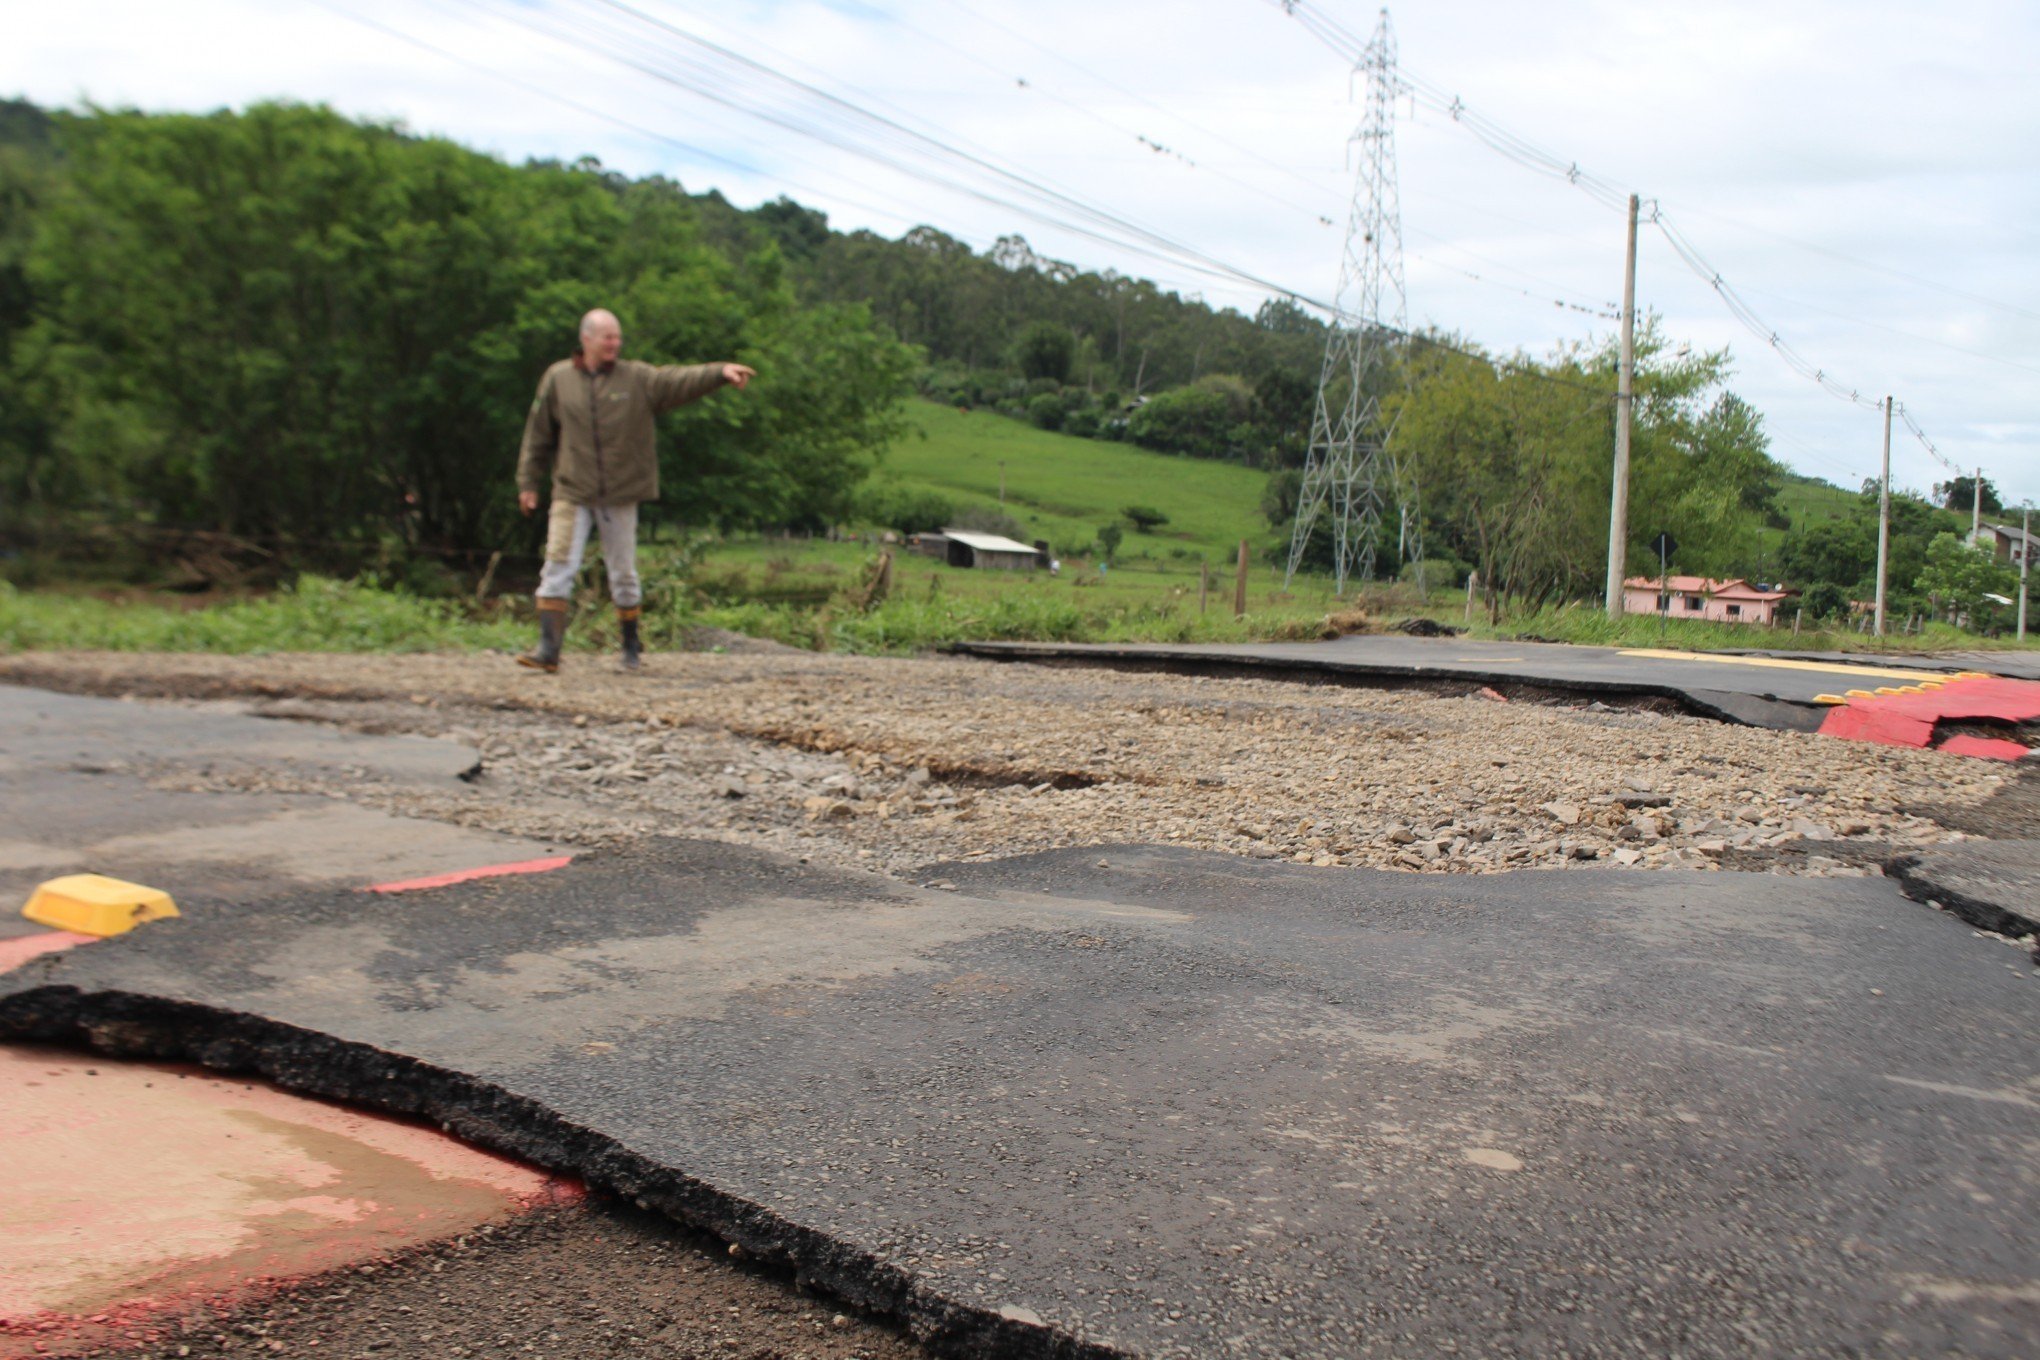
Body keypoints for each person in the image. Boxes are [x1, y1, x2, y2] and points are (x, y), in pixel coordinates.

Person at [514, 309, 755, 672]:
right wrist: (528, 483)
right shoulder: (558, 379)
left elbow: (677, 380)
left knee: (623, 572)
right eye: (607, 337)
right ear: (587, 339)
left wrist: (718, 373)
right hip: (572, 489)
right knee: (559, 563)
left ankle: (630, 647)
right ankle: (549, 649)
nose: (614, 344)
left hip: (621, 491)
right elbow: (538, 435)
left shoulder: (635, 378)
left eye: (617, 337)